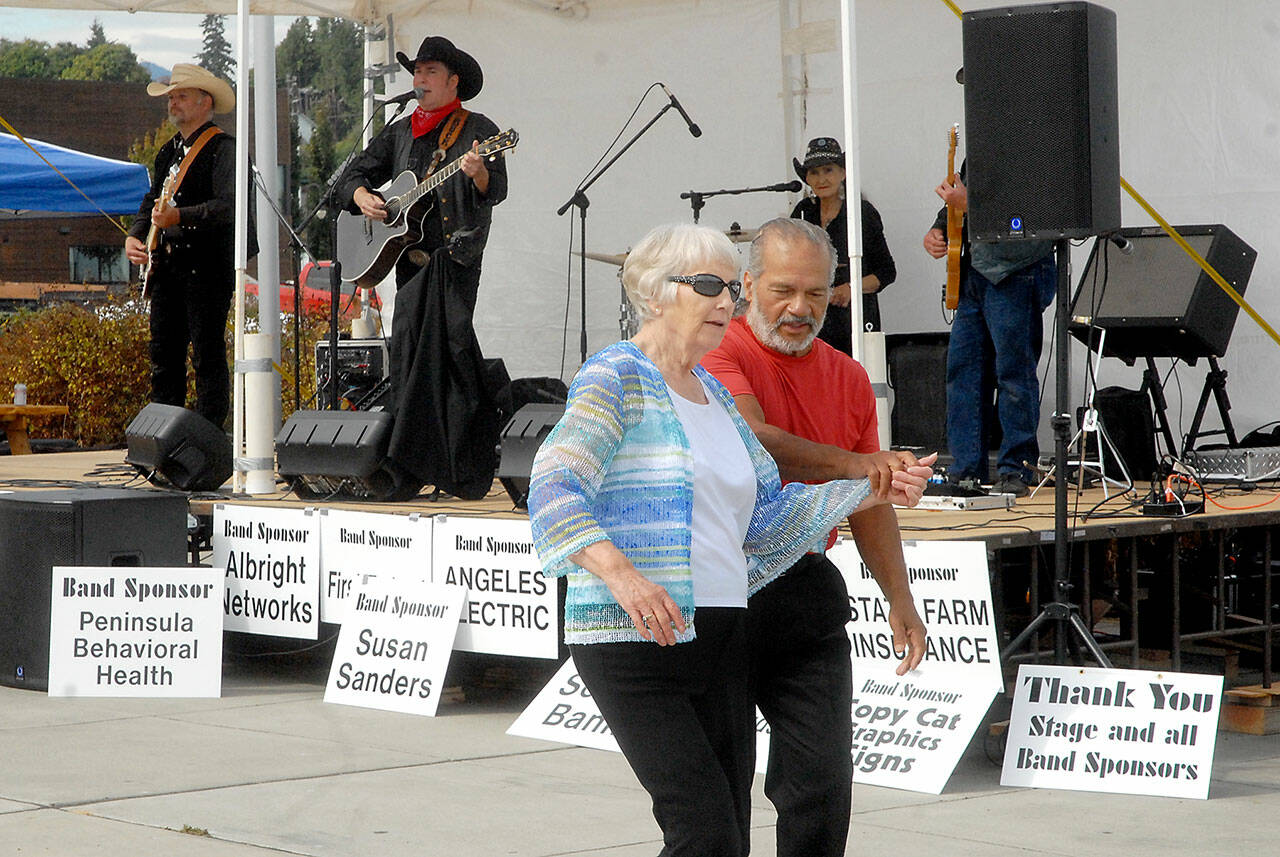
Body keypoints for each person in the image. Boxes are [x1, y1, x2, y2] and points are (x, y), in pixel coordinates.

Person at [527, 223, 932, 857]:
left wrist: (873, 488)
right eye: (710, 287)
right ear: (658, 293)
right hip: (633, 637)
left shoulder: (711, 394)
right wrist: (621, 573)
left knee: (725, 839)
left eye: (728, 292)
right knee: (705, 834)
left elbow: (767, 518)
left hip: (721, 634)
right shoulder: (616, 376)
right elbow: (552, 489)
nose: (725, 304)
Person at [702, 217, 929, 857]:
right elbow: (757, 446)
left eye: (815, 293)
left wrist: (900, 598)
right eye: (782, 290)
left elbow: (869, 502)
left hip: (803, 586)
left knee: (822, 784)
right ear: (747, 285)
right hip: (723, 586)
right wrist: (863, 464)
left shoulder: (849, 377)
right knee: (720, 793)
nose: (800, 308)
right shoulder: (719, 352)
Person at [339, 35, 510, 499]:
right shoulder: (398, 130)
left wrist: (477, 172)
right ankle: (414, 461)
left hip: (453, 259)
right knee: (413, 356)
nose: (419, 80)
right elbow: (352, 174)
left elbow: (496, 190)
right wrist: (361, 196)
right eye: (416, 72)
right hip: (408, 260)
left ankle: (460, 461)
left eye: (430, 72)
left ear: (454, 82)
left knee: (449, 356)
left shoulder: (478, 128)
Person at [923, 145, 1055, 498]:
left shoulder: (1039, 146)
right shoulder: (984, 140)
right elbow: (961, 195)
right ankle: (966, 469)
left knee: (1014, 374)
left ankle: (1017, 468)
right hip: (975, 273)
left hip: (1016, 270)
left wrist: (971, 205)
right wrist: (939, 228)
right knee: (963, 374)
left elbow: (1036, 212)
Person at [124, 64, 250, 429]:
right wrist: (136, 234)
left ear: (204, 101)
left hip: (208, 268)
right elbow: (151, 201)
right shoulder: (168, 152)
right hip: (168, 268)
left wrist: (180, 216)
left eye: (180, 96)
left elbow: (231, 207)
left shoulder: (224, 149)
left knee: (207, 356)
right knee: (164, 356)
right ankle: (165, 435)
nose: (172, 103)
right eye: (171, 97)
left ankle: (207, 436)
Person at [789, 136, 896, 351]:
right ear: (807, 179)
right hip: (811, 319)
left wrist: (851, 289)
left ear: (843, 173)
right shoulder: (803, 211)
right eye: (815, 172)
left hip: (854, 320)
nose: (822, 179)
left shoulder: (862, 212)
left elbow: (886, 272)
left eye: (828, 170)